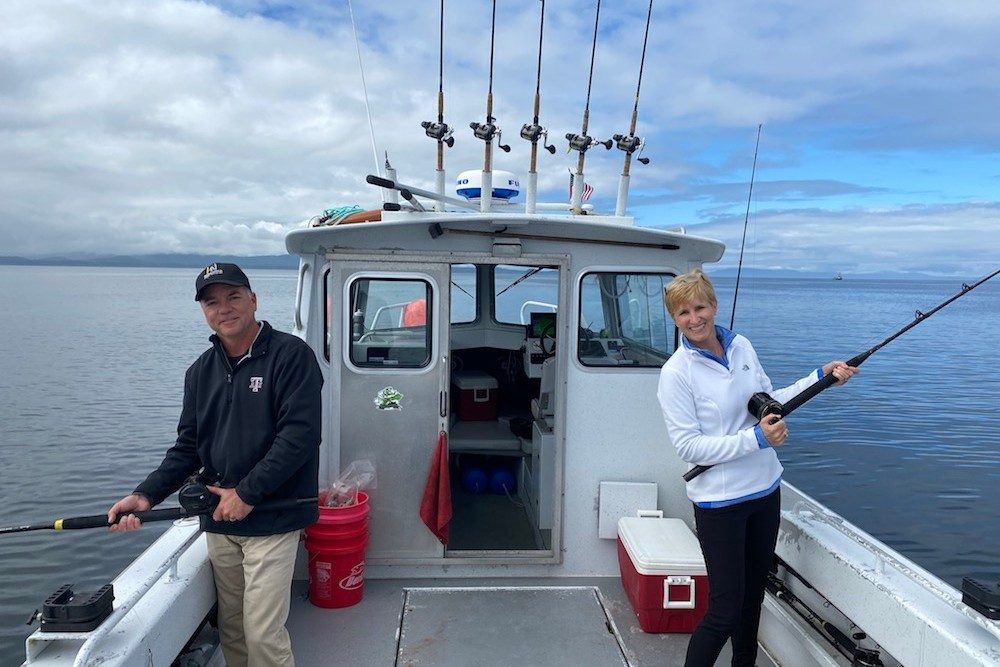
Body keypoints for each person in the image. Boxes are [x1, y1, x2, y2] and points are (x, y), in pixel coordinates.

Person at [107, 262, 323, 667]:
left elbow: (300, 437)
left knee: (263, 636)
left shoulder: (291, 356)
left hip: (272, 518)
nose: (223, 308)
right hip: (219, 521)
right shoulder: (199, 372)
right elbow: (187, 448)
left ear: (253, 300)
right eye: (212, 301)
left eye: (233, 297)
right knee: (234, 631)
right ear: (203, 311)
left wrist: (246, 493)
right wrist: (145, 494)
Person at [656, 269, 857, 667]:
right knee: (724, 610)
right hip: (720, 504)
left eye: (699, 307)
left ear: (713, 305)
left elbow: (769, 401)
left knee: (752, 601)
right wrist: (758, 439)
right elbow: (688, 446)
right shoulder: (676, 374)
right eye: (683, 312)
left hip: (765, 491)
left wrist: (820, 378)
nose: (694, 318)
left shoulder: (742, 345)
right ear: (674, 318)